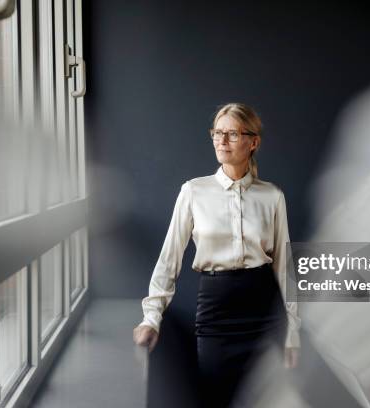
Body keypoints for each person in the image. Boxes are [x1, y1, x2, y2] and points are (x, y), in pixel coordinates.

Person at [133, 102, 301, 407]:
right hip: (216, 312)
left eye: (232, 134)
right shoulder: (193, 192)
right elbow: (169, 260)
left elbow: (283, 268)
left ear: (253, 142)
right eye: (217, 133)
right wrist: (151, 318)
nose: (222, 141)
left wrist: (292, 332)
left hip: (262, 310)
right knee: (215, 397)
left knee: (262, 397)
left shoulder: (272, 197)